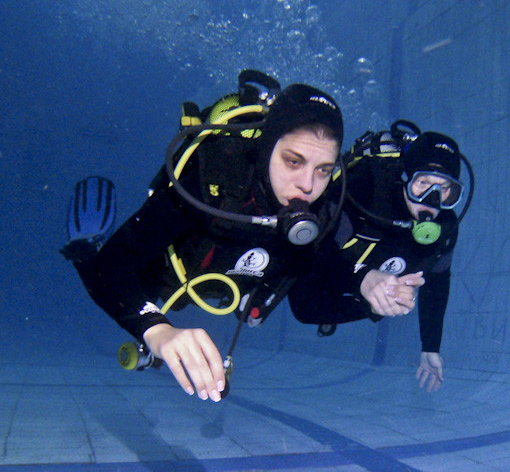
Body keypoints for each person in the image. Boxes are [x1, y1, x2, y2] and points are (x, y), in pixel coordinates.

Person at [61, 72, 422, 402]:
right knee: (104, 267)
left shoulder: (322, 206)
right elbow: (111, 267)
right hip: (168, 277)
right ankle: (82, 245)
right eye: (293, 161)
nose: (308, 186)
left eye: (324, 170)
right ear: (266, 149)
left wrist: (367, 283)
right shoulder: (215, 181)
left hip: (229, 285)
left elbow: (312, 289)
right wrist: (156, 329)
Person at [288, 122, 472, 393]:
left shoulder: (445, 227)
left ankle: (372, 300)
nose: (431, 200)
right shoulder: (364, 190)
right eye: (422, 183)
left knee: (385, 306)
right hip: (330, 266)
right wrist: (363, 278)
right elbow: (313, 258)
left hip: (371, 271)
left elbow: (437, 282)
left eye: (445, 189)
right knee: (305, 306)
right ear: (405, 178)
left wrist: (430, 347)